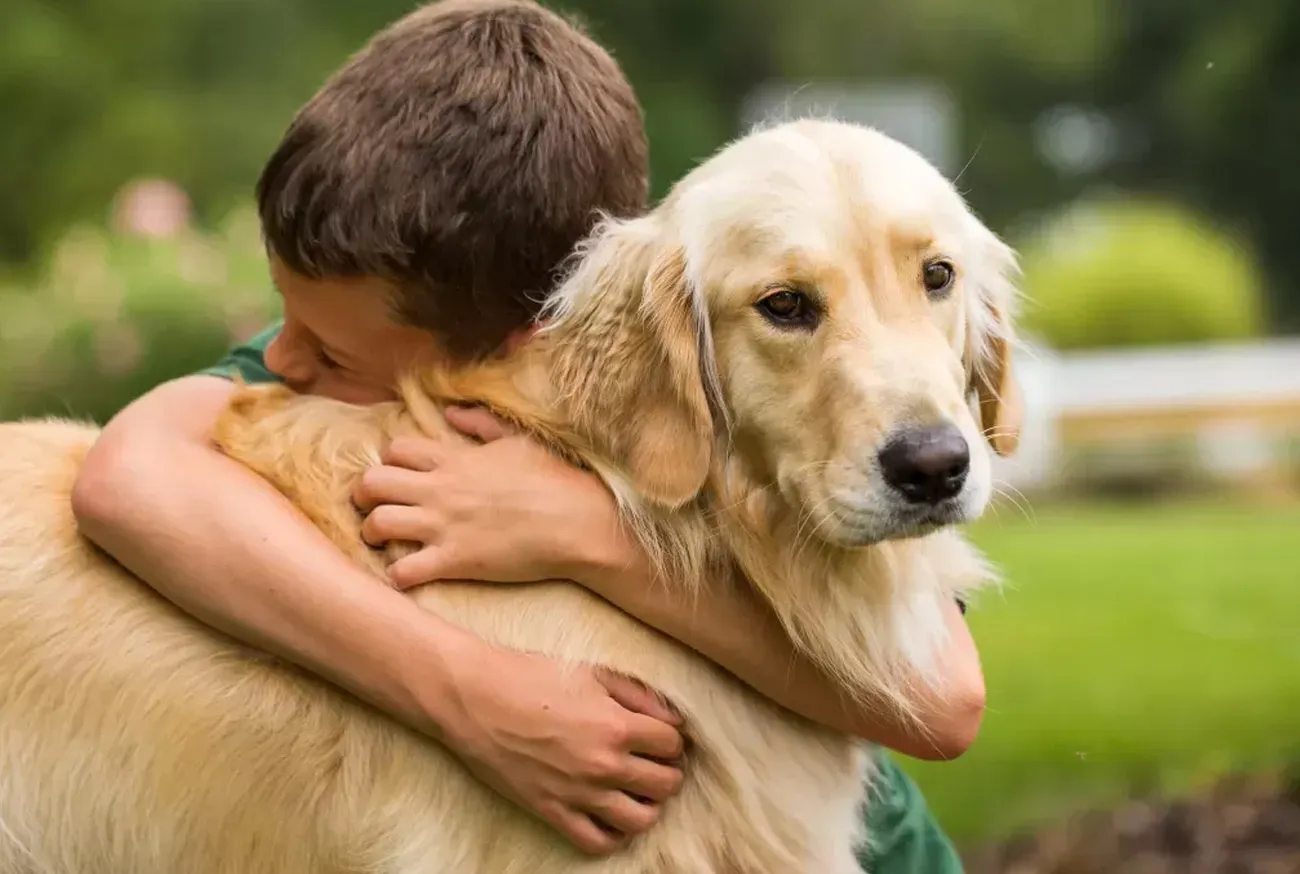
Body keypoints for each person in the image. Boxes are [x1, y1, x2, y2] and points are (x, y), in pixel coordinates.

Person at [69, 0, 981, 869]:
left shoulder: (660, 334)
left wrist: (587, 538)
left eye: (332, 350)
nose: (287, 362)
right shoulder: (377, 332)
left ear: (521, 343)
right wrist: (465, 690)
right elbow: (127, 476)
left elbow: (943, 705)